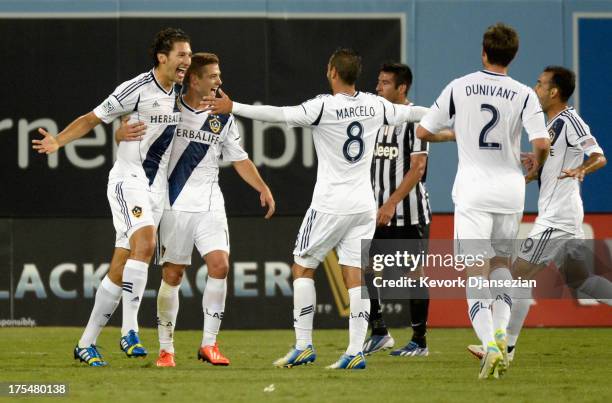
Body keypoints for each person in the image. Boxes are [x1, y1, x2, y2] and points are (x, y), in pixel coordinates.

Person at [203, 48, 429, 370]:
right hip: (364, 205)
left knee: (302, 268)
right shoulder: (376, 105)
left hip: (330, 204)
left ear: (332, 72)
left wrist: (233, 107)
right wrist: (449, 113)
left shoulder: (323, 106)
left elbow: (279, 115)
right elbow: (413, 113)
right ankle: (354, 352)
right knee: (355, 276)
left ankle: (304, 345)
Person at [32, 28, 192, 366]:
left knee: (122, 265)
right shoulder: (135, 89)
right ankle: (129, 330)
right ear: (162, 57)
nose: (186, 61)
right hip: (127, 179)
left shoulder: (181, 93)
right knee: (146, 245)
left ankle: (86, 343)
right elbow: (93, 118)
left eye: (189, 56)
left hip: (155, 188)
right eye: (181, 54)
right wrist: (59, 141)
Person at [122, 52, 275, 367]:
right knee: (174, 274)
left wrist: (262, 186)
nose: (219, 81)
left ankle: (209, 344)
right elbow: (136, 137)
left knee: (220, 266)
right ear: (194, 79)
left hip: (210, 201)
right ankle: (166, 349)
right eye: (213, 76)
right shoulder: (169, 108)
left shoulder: (223, 116)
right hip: (175, 202)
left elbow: (238, 156)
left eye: (219, 75)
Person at [416, 23, 550, 379]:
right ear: (513, 55)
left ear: (483, 51)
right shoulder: (524, 93)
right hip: (510, 190)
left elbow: (423, 130)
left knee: (476, 271)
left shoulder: (460, 86)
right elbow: (542, 142)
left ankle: (490, 343)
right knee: (502, 264)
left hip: (474, 191)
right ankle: (502, 337)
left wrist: (455, 134)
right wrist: (536, 165)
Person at [468, 66, 609, 361]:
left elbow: (598, 155)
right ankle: (504, 346)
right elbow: (554, 162)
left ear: (554, 91)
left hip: (556, 219)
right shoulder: (550, 126)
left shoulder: (570, 121)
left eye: (540, 84)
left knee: (514, 275)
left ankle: (504, 347)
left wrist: (583, 168)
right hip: (560, 215)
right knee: (580, 280)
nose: (535, 89)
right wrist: (536, 168)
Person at [363, 62, 434, 357]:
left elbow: (418, 168)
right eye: (378, 82)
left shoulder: (416, 119)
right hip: (375, 211)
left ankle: (420, 340)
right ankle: (379, 331)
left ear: (402, 88)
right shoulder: (374, 118)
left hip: (409, 212)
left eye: (385, 83)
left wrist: (391, 202)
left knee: (413, 274)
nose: (378, 88)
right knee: (363, 264)